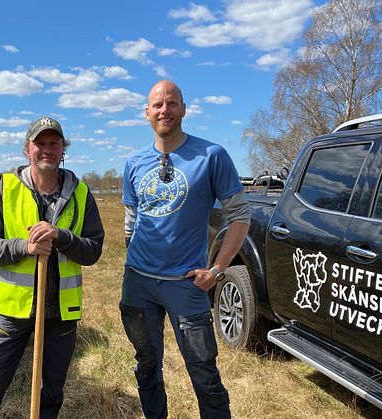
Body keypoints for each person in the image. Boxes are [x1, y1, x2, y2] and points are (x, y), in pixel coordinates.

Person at [120, 80, 251, 419]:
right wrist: (130, 260)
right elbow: (130, 220)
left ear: (184, 109)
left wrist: (218, 270)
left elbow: (240, 216)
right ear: (147, 112)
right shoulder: (134, 163)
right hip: (139, 284)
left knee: (203, 372)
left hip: (186, 285)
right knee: (146, 366)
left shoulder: (211, 156)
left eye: (172, 103)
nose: (165, 110)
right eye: (158, 105)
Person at [0, 116, 104, 419]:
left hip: (60, 314)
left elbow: (93, 250)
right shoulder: (7, 188)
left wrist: (61, 237)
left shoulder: (80, 193)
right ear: (27, 149)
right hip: (10, 312)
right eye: (40, 143)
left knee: (52, 392)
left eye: (54, 143)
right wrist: (23, 247)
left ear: (63, 149)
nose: (47, 149)